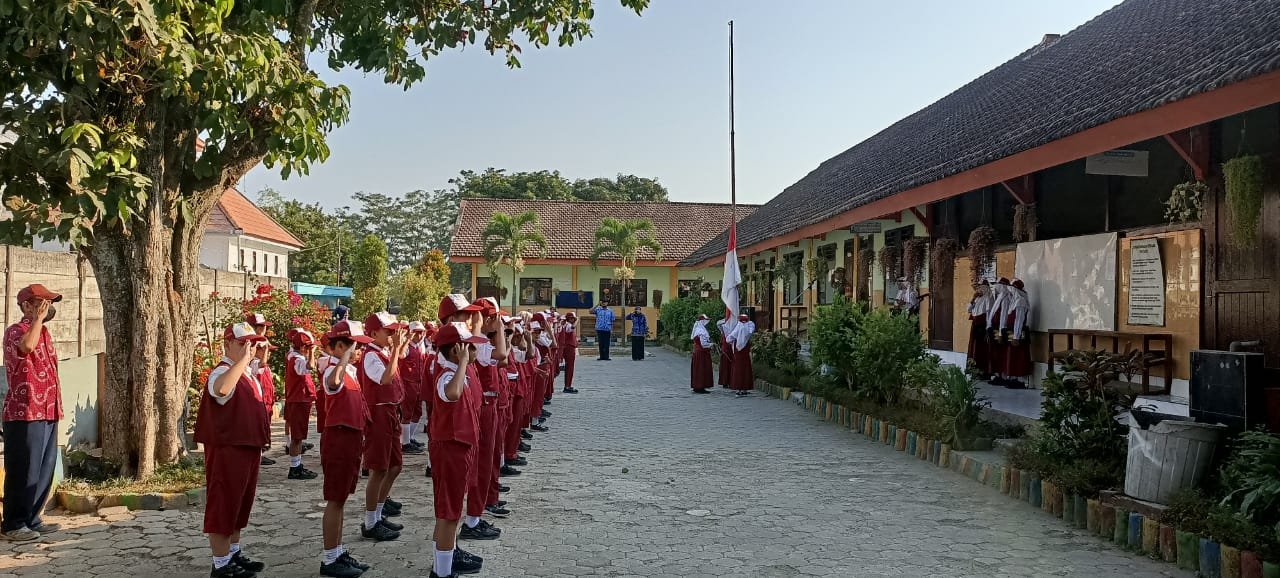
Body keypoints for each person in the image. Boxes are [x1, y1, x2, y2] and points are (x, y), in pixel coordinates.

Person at [195, 322, 271, 578]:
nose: (249, 348)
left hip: (247, 447)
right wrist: (243, 360)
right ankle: (221, 563)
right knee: (224, 504)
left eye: (252, 343)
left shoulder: (246, 372)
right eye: (243, 343)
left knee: (240, 504)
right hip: (228, 449)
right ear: (227, 344)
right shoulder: (223, 371)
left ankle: (233, 552)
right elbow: (222, 389)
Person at [319, 320, 382, 578]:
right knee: (335, 500)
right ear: (340, 347)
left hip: (351, 440)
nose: (360, 352)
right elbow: (333, 382)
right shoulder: (333, 370)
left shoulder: (350, 372)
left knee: (341, 499)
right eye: (356, 346)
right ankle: (329, 559)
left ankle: (337, 551)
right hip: (338, 439)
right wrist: (344, 358)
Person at [2, 284, 63, 542]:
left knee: (43, 468)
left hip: (48, 409)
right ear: (27, 305)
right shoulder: (16, 331)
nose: (48, 308)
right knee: (23, 468)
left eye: (50, 303)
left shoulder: (45, 333)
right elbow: (26, 347)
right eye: (43, 303)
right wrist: (37, 320)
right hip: (24, 412)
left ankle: (32, 519)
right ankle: (14, 524)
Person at [428, 321, 489, 578]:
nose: (474, 352)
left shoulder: (457, 371)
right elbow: (452, 394)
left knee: (451, 509)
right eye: (469, 348)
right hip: (450, 449)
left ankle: (443, 562)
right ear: (456, 350)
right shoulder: (447, 374)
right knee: (449, 513)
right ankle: (442, 572)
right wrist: (463, 362)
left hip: (460, 448)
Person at [358, 311, 409, 540]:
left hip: (390, 412)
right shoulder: (370, 356)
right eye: (387, 331)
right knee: (379, 468)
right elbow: (385, 379)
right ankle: (370, 522)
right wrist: (396, 350)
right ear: (373, 333)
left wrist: (396, 349)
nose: (391, 335)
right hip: (378, 413)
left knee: (395, 466)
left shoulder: (383, 352)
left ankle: (378, 513)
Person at [463, 298, 507, 541]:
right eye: (494, 318)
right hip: (483, 407)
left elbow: (502, 358)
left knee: (489, 459)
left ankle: (478, 512)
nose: (497, 323)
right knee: (481, 464)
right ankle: (473, 518)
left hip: (490, 404)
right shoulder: (477, 342)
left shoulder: (481, 341)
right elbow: (502, 355)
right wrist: (498, 330)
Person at [283, 328, 319, 480]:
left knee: (299, 435)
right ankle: (295, 467)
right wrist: (311, 353)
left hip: (300, 399)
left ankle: (297, 464)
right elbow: (309, 366)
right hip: (298, 400)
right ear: (304, 347)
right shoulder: (297, 359)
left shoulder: (294, 357)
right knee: (297, 436)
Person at [245, 313, 278, 466]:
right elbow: (260, 365)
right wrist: (263, 349)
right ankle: (258, 452)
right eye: (260, 326)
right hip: (259, 399)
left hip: (267, 399)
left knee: (265, 424)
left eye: (264, 326)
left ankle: (261, 451)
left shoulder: (263, 343)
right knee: (258, 426)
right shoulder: (253, 359)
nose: (263, 329)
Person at [400, 322, 429, 456]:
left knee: (418, 412)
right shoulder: (407, 346)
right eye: (416, 332)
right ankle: (405, 442)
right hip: (408, 382)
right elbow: (401, 355)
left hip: (419, 382)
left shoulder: (421, 345)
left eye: (421, 332)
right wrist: (407, 340)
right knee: (407, 412)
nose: (420, 335)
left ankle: (409, 437)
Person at [1003, 279, 1033, 389]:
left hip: (1018, 333)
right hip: (1012, 332)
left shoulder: (1021, 301)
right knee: (1012, 355)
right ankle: (1013, 378)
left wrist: (1016, 336)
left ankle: (1020, 379)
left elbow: (1019, 320)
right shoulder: (1014, 301)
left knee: (1019, 356)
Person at [965, 282, 993, 380]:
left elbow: (989, 314)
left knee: (982, 349)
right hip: (975, 325)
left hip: (983, 326)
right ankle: (974, 370)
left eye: (980, 288)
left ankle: (984, 371)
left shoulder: (988, 298)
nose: (978, 290)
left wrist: (988, 328)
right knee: (974, 348)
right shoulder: (977, 299)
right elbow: (969, 310)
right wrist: (973, 298)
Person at [727, 314, 756, 397]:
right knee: (746, 369)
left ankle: (739, 388)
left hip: (738, 352)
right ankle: (745, 388)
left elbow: (730, 337)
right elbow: (750, 332)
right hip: (745, 351)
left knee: (738, 370)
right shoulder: (750, 326)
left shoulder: (739, 326)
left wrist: (729, 339)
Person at [689, 314, 714, 394]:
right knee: (701, 369)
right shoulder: (701, 330)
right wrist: (710, 344)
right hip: (701, 353)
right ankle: (700, 387)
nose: (707, 322)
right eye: (705, 320)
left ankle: (697, 386)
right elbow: (703, 344)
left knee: (697, 369)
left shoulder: (698, 329)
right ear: (702, 321)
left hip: (697, 352)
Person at [558, 312, 580, 394]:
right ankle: (567, 386)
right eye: (572, 318)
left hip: (569, 346)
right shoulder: (568, 325)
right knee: (570, 367)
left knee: (569, 367)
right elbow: (572, 327)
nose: (573, 320)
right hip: (569, 347)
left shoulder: (565, 324)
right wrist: (577, 320)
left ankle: (568, 385)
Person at [716, 319, 733, 389]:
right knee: (725, 366)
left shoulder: (734, 327)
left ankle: (731, 381)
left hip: (732, 349)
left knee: (731, 366)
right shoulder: (723, 328)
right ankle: (724, 382)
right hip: (725, 349)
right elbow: (718, 323)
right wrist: (727, 319)